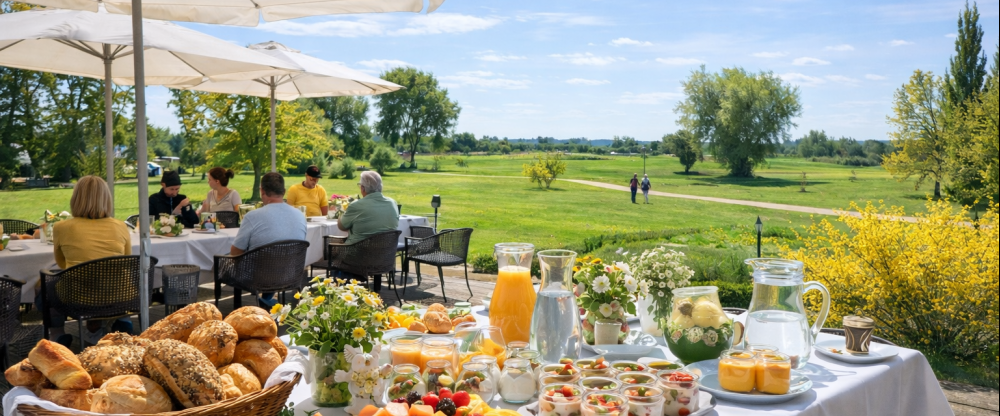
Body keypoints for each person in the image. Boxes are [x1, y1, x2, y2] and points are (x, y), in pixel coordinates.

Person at [42, 176, 133, 347]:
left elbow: (62, 264)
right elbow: (126, 261)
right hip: (120, 298)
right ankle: (124, 320)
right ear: (107, 199)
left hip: (79, 300)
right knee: (118, 280)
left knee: (45, 287)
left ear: (76, 199)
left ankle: (57, 334)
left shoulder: (61, 227)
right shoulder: (121, 226)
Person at [230, 172, 307, 308]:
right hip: (291, 273)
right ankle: (267, 300)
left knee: (227, 259)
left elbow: (236, 252)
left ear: (262, 191)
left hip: (258, 278)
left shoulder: (252, 216)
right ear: (283, 191)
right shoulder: (300, 215)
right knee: (269, 258)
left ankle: (246, 308)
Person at [337, 171, 400, 291]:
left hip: (358, 258)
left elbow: (342, 226)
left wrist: (341, 214)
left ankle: (343, 292)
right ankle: (373, 290)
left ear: (363, 188)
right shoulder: (392, 203)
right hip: (384, 257)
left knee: (337, 253)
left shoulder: (357, 205)